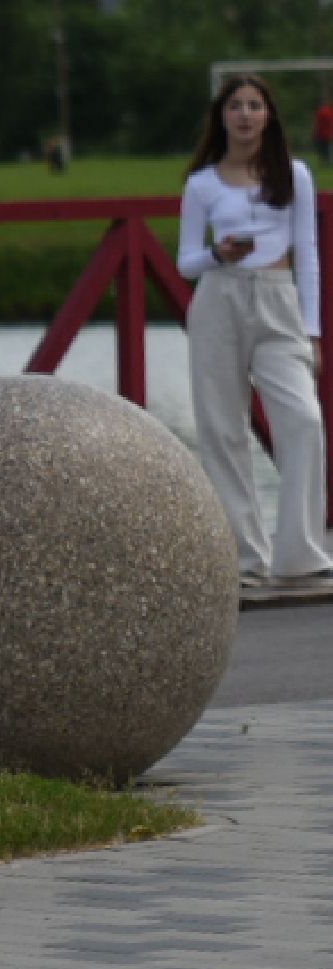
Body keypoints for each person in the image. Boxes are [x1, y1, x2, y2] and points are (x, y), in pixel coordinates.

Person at [178, 73, 333, 590]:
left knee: (304, 420)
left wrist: (312, 331)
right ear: (222, 116)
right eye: (236, 106)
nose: (245, 114)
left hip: (277, 300)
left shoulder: (294, 175)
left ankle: (300, 554)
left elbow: (308, 256)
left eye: (255, 105)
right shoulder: (201, 183)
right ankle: (244, 558)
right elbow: (185, 263)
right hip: (219, 299)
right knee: (222, 429)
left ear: (268, 116)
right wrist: (217, 253)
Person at [315, 101, 333, 165]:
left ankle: (323, 161)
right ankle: (327, 161)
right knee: (327, 148)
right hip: (328, 133)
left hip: (322, 133)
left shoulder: (321, 112)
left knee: (323, 148)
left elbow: (319, 124)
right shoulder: (329, 111)